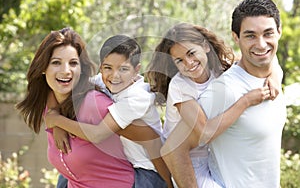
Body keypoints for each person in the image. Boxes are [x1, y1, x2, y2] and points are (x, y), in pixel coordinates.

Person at [145, 22, 282, 187]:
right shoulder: (180, 86)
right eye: (179, 60)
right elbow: (204, 132)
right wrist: (245, 101)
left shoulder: (220, 67)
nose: (189, 63)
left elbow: (262, 58)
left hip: (213, 157)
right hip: (190, 163)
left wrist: (274, 77)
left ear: (205, 46)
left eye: (191, 53)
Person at [45, 34, 173, 188]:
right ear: (101, 67)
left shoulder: (138, 98)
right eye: (108, 68)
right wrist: (56, 122)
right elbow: (60, 86)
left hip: (148, 170)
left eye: (124, 69)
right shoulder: (103, 81)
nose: (115, 75)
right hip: (123, 163)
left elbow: (97, 134)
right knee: (66, 176)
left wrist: (57, 121)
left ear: (136, 70)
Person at [15, 27, 136, 187]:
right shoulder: (50, 106)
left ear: (82, 68)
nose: (66, 71)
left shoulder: (94, 103)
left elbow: (147, 135)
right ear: (43, 68)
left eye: (73, 63)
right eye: (56, 63)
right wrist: (57, 119)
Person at [198, 0, 286, 187]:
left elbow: (271, 63)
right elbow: (180, 148)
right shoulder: (224, 90)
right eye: (250, 35)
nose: (261, 44)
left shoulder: (273, 74)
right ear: (236, 37)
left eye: (268, 33)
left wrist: (275, 76)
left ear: (279, 32)